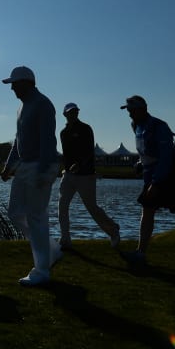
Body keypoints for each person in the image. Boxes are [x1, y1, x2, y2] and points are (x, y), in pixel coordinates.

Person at [119, 95, 175, 264]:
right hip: (151, 175)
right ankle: (140, 253)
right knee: (147, 210)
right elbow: (146, 151)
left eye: (132, 110)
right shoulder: (136, 126)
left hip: (170, 176)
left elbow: (165, 156)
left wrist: (156, 181)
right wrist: (141, 163)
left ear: (142, 109)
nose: (130, 114)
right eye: (129, 111)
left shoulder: (159, 126)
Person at [0, 66, 62, 286]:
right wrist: (9, 166)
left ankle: (41, 270)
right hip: (25, 165)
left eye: (14, 84)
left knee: (36, 217)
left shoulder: (43, 104)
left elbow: (48, 142)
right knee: (15, 212)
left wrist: (44, 171)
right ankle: (53, 249)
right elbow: (18, 141)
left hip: (41, 165)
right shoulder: (21, 107)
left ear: (26, 83)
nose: (12, 89)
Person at [58, 102, 121, 250]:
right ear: (65, 114)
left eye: (75, 111)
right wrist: (66, 168)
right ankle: (65, 239)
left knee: (92, 208)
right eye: (70, 112)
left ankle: (113, 230)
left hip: (85, 175)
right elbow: (67, 154)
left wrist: (79, 164)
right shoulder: (63, 132)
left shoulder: (85, 129)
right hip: (68, 175)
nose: (73, 114)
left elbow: (88, 151)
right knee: (62, 206)